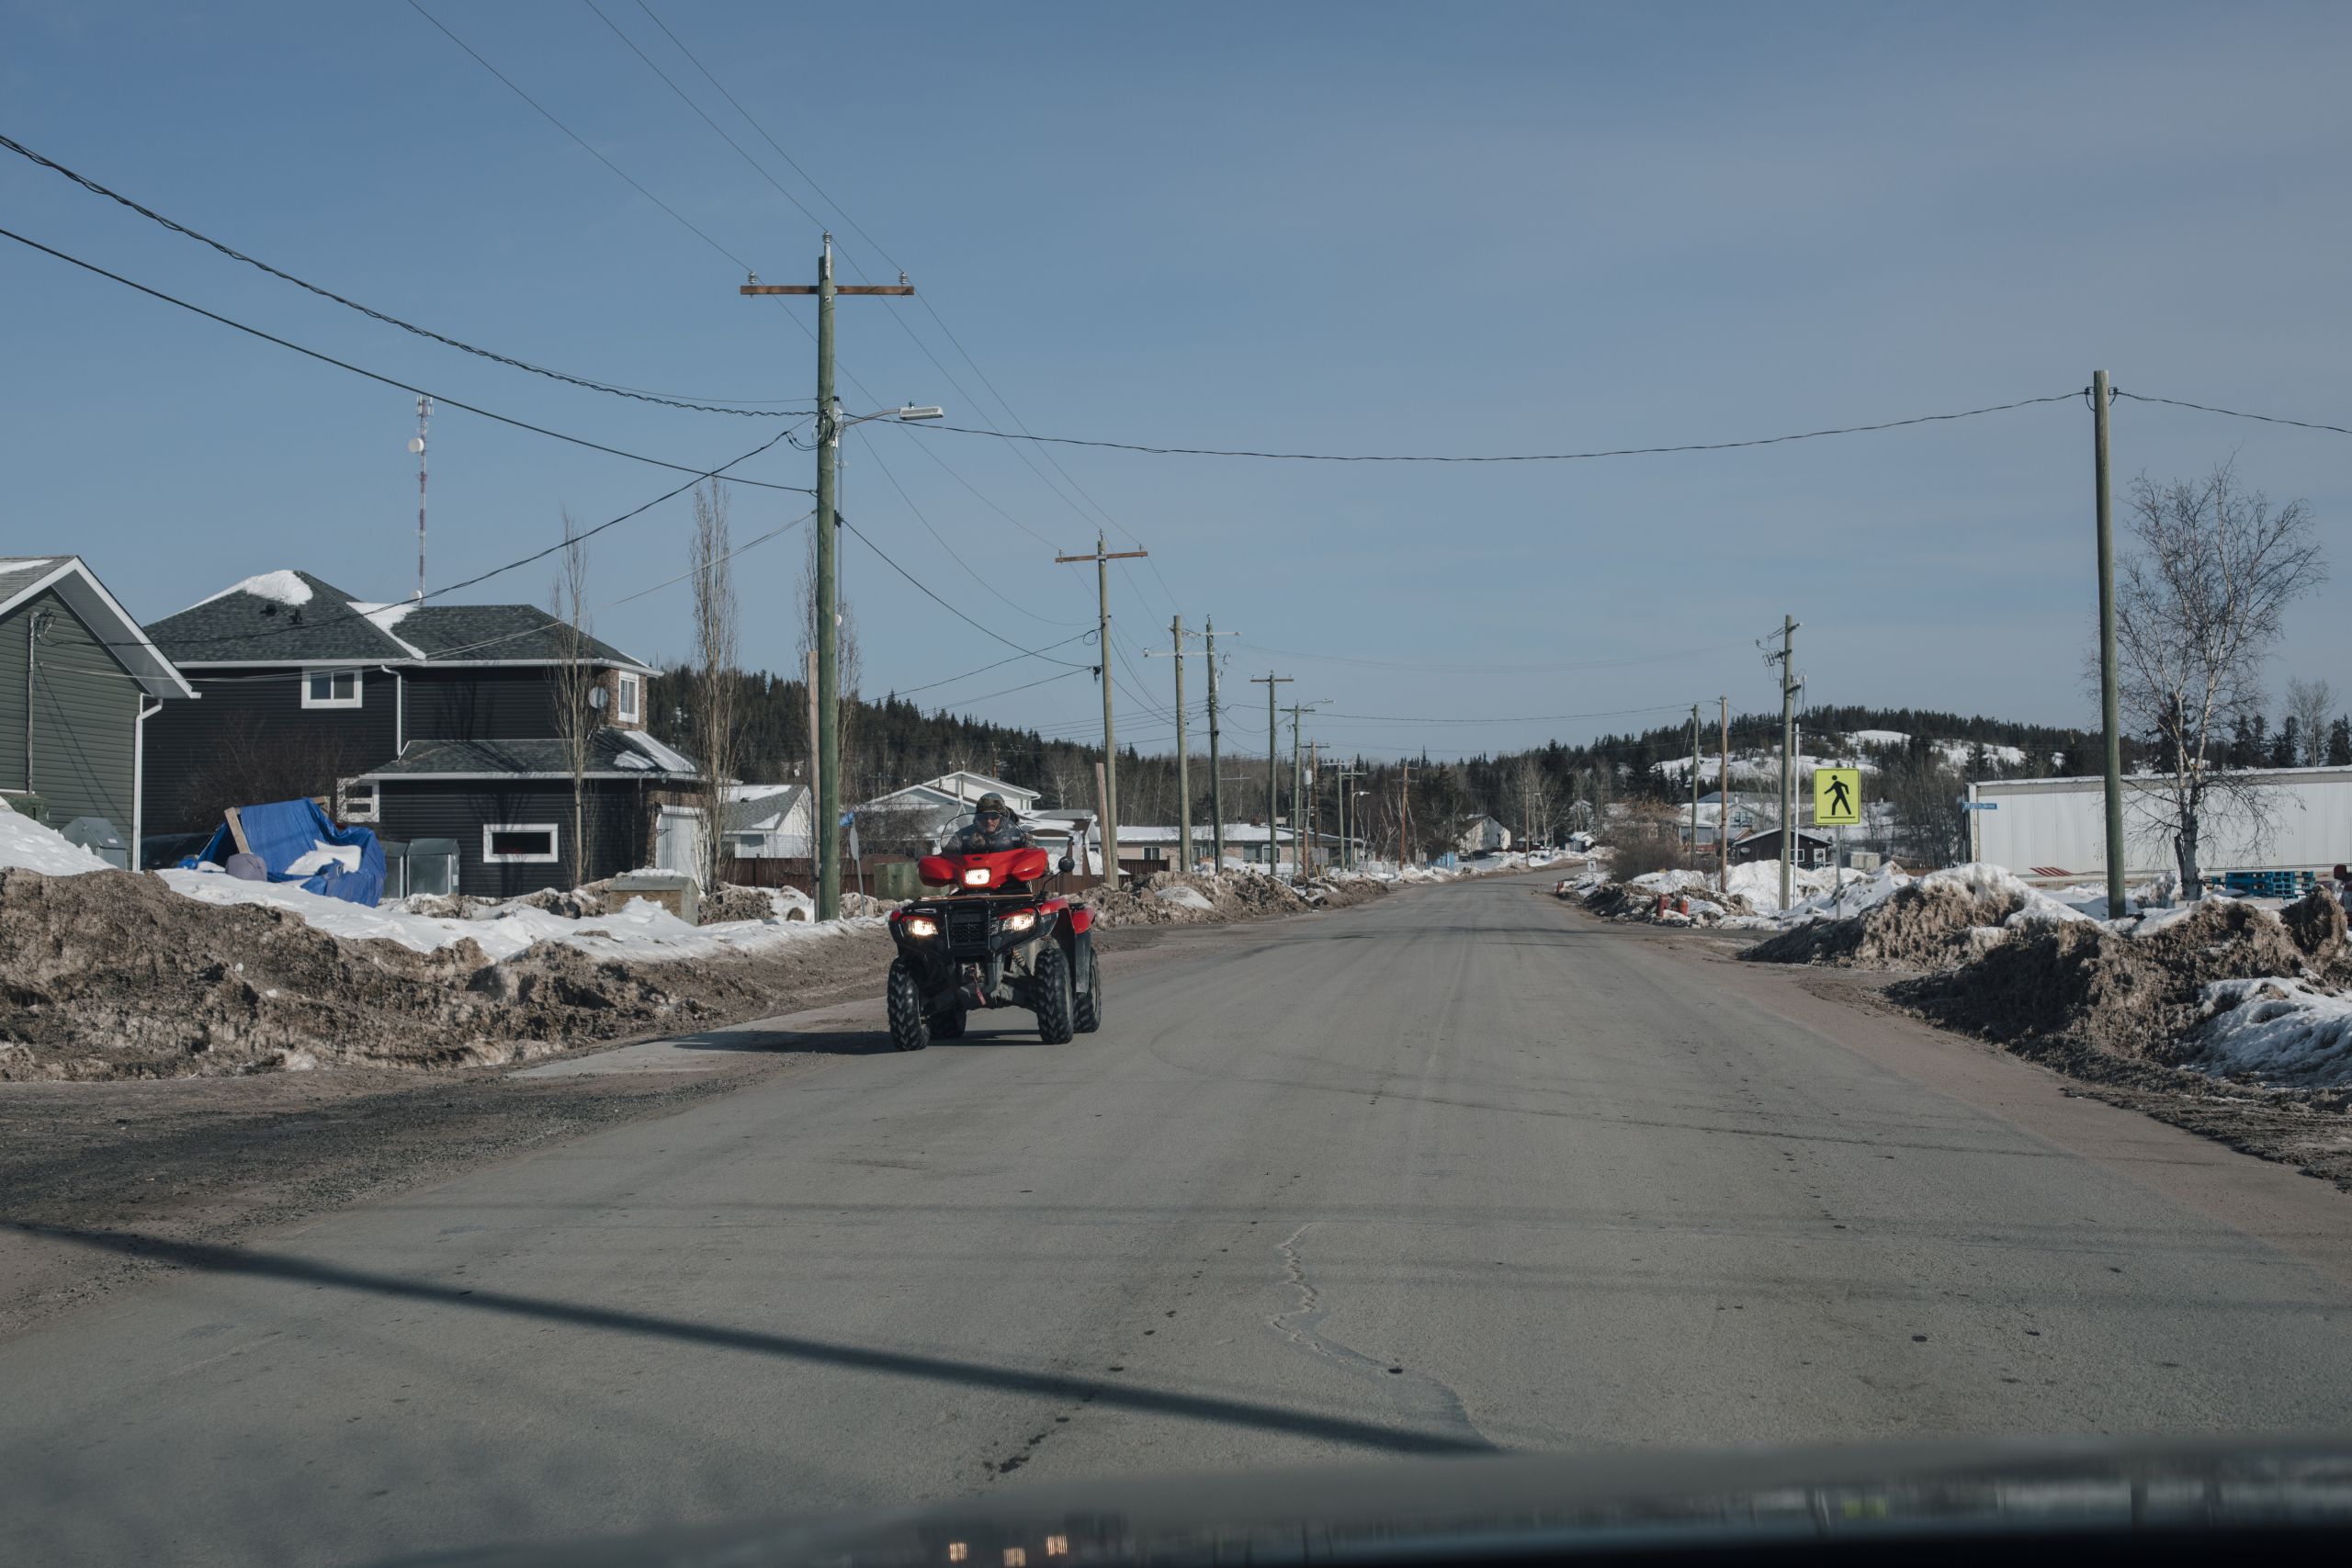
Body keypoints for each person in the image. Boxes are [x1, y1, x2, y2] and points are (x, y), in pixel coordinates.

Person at [950, 793, 1035, 854]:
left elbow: (1035, 858)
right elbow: (947, 856)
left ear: (1002, 818)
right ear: (978, 817)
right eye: (984, 817)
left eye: (994, 817)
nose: (988, 821)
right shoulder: (963, 836)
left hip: (1009, 877)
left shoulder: (1018, 836)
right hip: (971, 877)